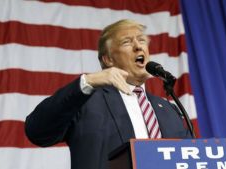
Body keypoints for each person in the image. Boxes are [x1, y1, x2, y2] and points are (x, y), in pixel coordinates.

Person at [25, 19, 191, 169]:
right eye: (127, 42)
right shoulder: (85, 101)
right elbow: (37, 132)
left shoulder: (169, 110)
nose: (138, 46)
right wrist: (87, 82)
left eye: (141, 40)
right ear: (108, 60)